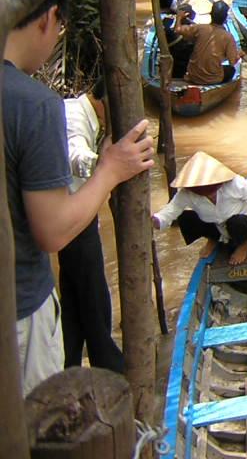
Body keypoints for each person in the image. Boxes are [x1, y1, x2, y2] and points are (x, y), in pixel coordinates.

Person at [1, 0, 153, 395]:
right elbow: (51, 231)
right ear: (49, 17)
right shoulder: (33, 105)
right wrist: (111, 169)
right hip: (19, 317)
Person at [58, 79, 124, 373]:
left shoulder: (84, 115)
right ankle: (108, 367)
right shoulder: (75, 117)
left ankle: (69, 362)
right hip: (74, 218)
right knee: (94, 297)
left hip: (73, 214)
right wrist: (109, 164)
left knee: (75, 299)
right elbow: (75, 156)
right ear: (105, 101)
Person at [151, 151, 247, 265]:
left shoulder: (234, 184)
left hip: (246, 228)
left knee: (237, 221)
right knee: (186, 217)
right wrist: (157, 220)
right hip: (218, 228)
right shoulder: (187, 193)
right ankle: (213, 238)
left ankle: (243, 245)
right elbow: (171, 209)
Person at [174, 0, 240, 85]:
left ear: (211, 15)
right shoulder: (228, 37)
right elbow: (232, 62)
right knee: (231, 70)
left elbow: (177, 29)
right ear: (225, 19)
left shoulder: (199, 28)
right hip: (213, 79)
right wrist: (239, 55)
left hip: (193, 76)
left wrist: (179, 17)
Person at [162, 3, 196, 79]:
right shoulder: (168, 23)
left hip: (179, 59)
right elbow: (176, 33)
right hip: (177, 58)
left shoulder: (167, 23)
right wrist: (179, 18)